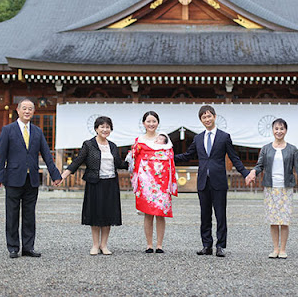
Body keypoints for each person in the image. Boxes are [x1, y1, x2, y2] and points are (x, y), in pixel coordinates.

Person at [175, 105, 249, 257]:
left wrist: (245, 173)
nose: (207, 119)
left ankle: (220, 246)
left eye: (209, 116)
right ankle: (206, 245)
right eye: (204, 117)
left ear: (214, 117)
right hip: (203, 181)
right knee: (205, 215)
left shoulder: (224, 137)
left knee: (220, 214)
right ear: (201, 120)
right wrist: (168, 157)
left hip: (219, 181)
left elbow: (234, 157)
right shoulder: (198, 138)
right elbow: (187, 155)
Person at [0, 98, 62, 259]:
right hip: (13, 178)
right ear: (17, 110)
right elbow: (1, 156)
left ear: (33, 112)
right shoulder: (8, 130)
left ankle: (28, 247)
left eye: (30, 109)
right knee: (12, 214)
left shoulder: (37, 131)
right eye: (24, 108)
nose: (27, 111)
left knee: (29, 214)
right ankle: (13, 247)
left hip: (31, 178)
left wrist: (55, 175)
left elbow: (46, 154)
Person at [60, 116, 129, 255]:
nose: (105, 129)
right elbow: (78, 161)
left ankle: (104, 245)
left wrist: (134, 160)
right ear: (96, 129)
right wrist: (63, 176)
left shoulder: (113, 146)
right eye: (102, 127)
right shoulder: (88, 144)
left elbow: (120, 164)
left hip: (110, 183)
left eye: (107, 127)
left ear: (111, 129)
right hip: (94, 183)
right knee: (95, 214)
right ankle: (95, 245)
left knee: (108, 214)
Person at [245, 118, 298, 259]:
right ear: (272, 130)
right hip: (270, 188)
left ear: (286, 131)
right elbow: (259, 165)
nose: (279, 131)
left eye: (281, 129)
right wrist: (252, 173)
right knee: (273, 220)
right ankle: (275, 249)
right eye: (276, 129)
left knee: (284, 220)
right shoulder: (266, 148)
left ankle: (283, 249)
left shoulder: (292, 149)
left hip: (285, 188)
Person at [129, 111, 178, 254]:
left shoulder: (164, 140)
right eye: (148, 121)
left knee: (160, 213)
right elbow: (133, 158)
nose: (151, 124)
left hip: (161, 181)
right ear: (143, 123)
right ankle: (149, 244)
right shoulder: (139, 140)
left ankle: (160, 245)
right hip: (145, 181)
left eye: (154, 121)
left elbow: (169, 157)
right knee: (147, 213)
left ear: (158, 123)